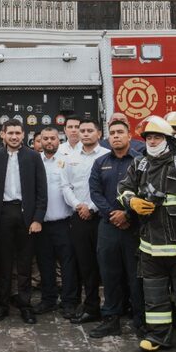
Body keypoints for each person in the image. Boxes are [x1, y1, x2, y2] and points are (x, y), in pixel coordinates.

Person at [118, 115, 176, 352]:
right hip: (149, 246)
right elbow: (123, 188)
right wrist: (131, 201)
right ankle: (157, 336)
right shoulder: (139, 163)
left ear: (168, 139)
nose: (152, 141)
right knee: (154, 296)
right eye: (149, 138)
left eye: (157, 137)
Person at [87, 118, 143, 339]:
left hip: (134, 227)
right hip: (108, 226)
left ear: (129, 136)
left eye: (120, 132)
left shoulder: (141, 162)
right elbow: (95, 192)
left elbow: (146, 192)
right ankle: (111, 319)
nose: (116, 136)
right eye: (112, 133)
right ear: (108, 138)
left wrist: (127, 214)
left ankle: (141, 321)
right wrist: (114, 215)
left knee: (136, 276)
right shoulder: (100, 162)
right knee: (109, 274)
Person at [0, 118, 47, 324]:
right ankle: (2, 305)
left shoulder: (33, 157)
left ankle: (25, 305)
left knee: (25, 263)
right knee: (3, 263)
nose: (14, 137)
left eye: (17, 133)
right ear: (2, 135)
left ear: (23, 135)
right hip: (3, 214)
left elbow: (42, 191)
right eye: (10, 133)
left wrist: (38, 218)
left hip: (26, 215)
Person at [61, 119, 109, 324]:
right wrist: (78, 206)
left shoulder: (107, 156)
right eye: (83, 130)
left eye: (90, 130)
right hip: (79, 216)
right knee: (86, 264)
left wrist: (92, 208)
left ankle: (113, 306)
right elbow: (65, 186)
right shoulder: (70, 158)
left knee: (106, 264)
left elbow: (108, 189)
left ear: (99, 134)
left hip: (102, 217)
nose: (86, 133)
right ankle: (91, 306)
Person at [34, 125, 79, 316]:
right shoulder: (35, 161)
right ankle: (48, 300)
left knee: (68, 264)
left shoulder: (67, 161)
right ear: (39, 141)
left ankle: (69, 302)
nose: (49, 141)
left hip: (64, 222)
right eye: (45, 138)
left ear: (58, 140)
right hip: (41, 223)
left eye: (52, 138)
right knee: (45, 264)